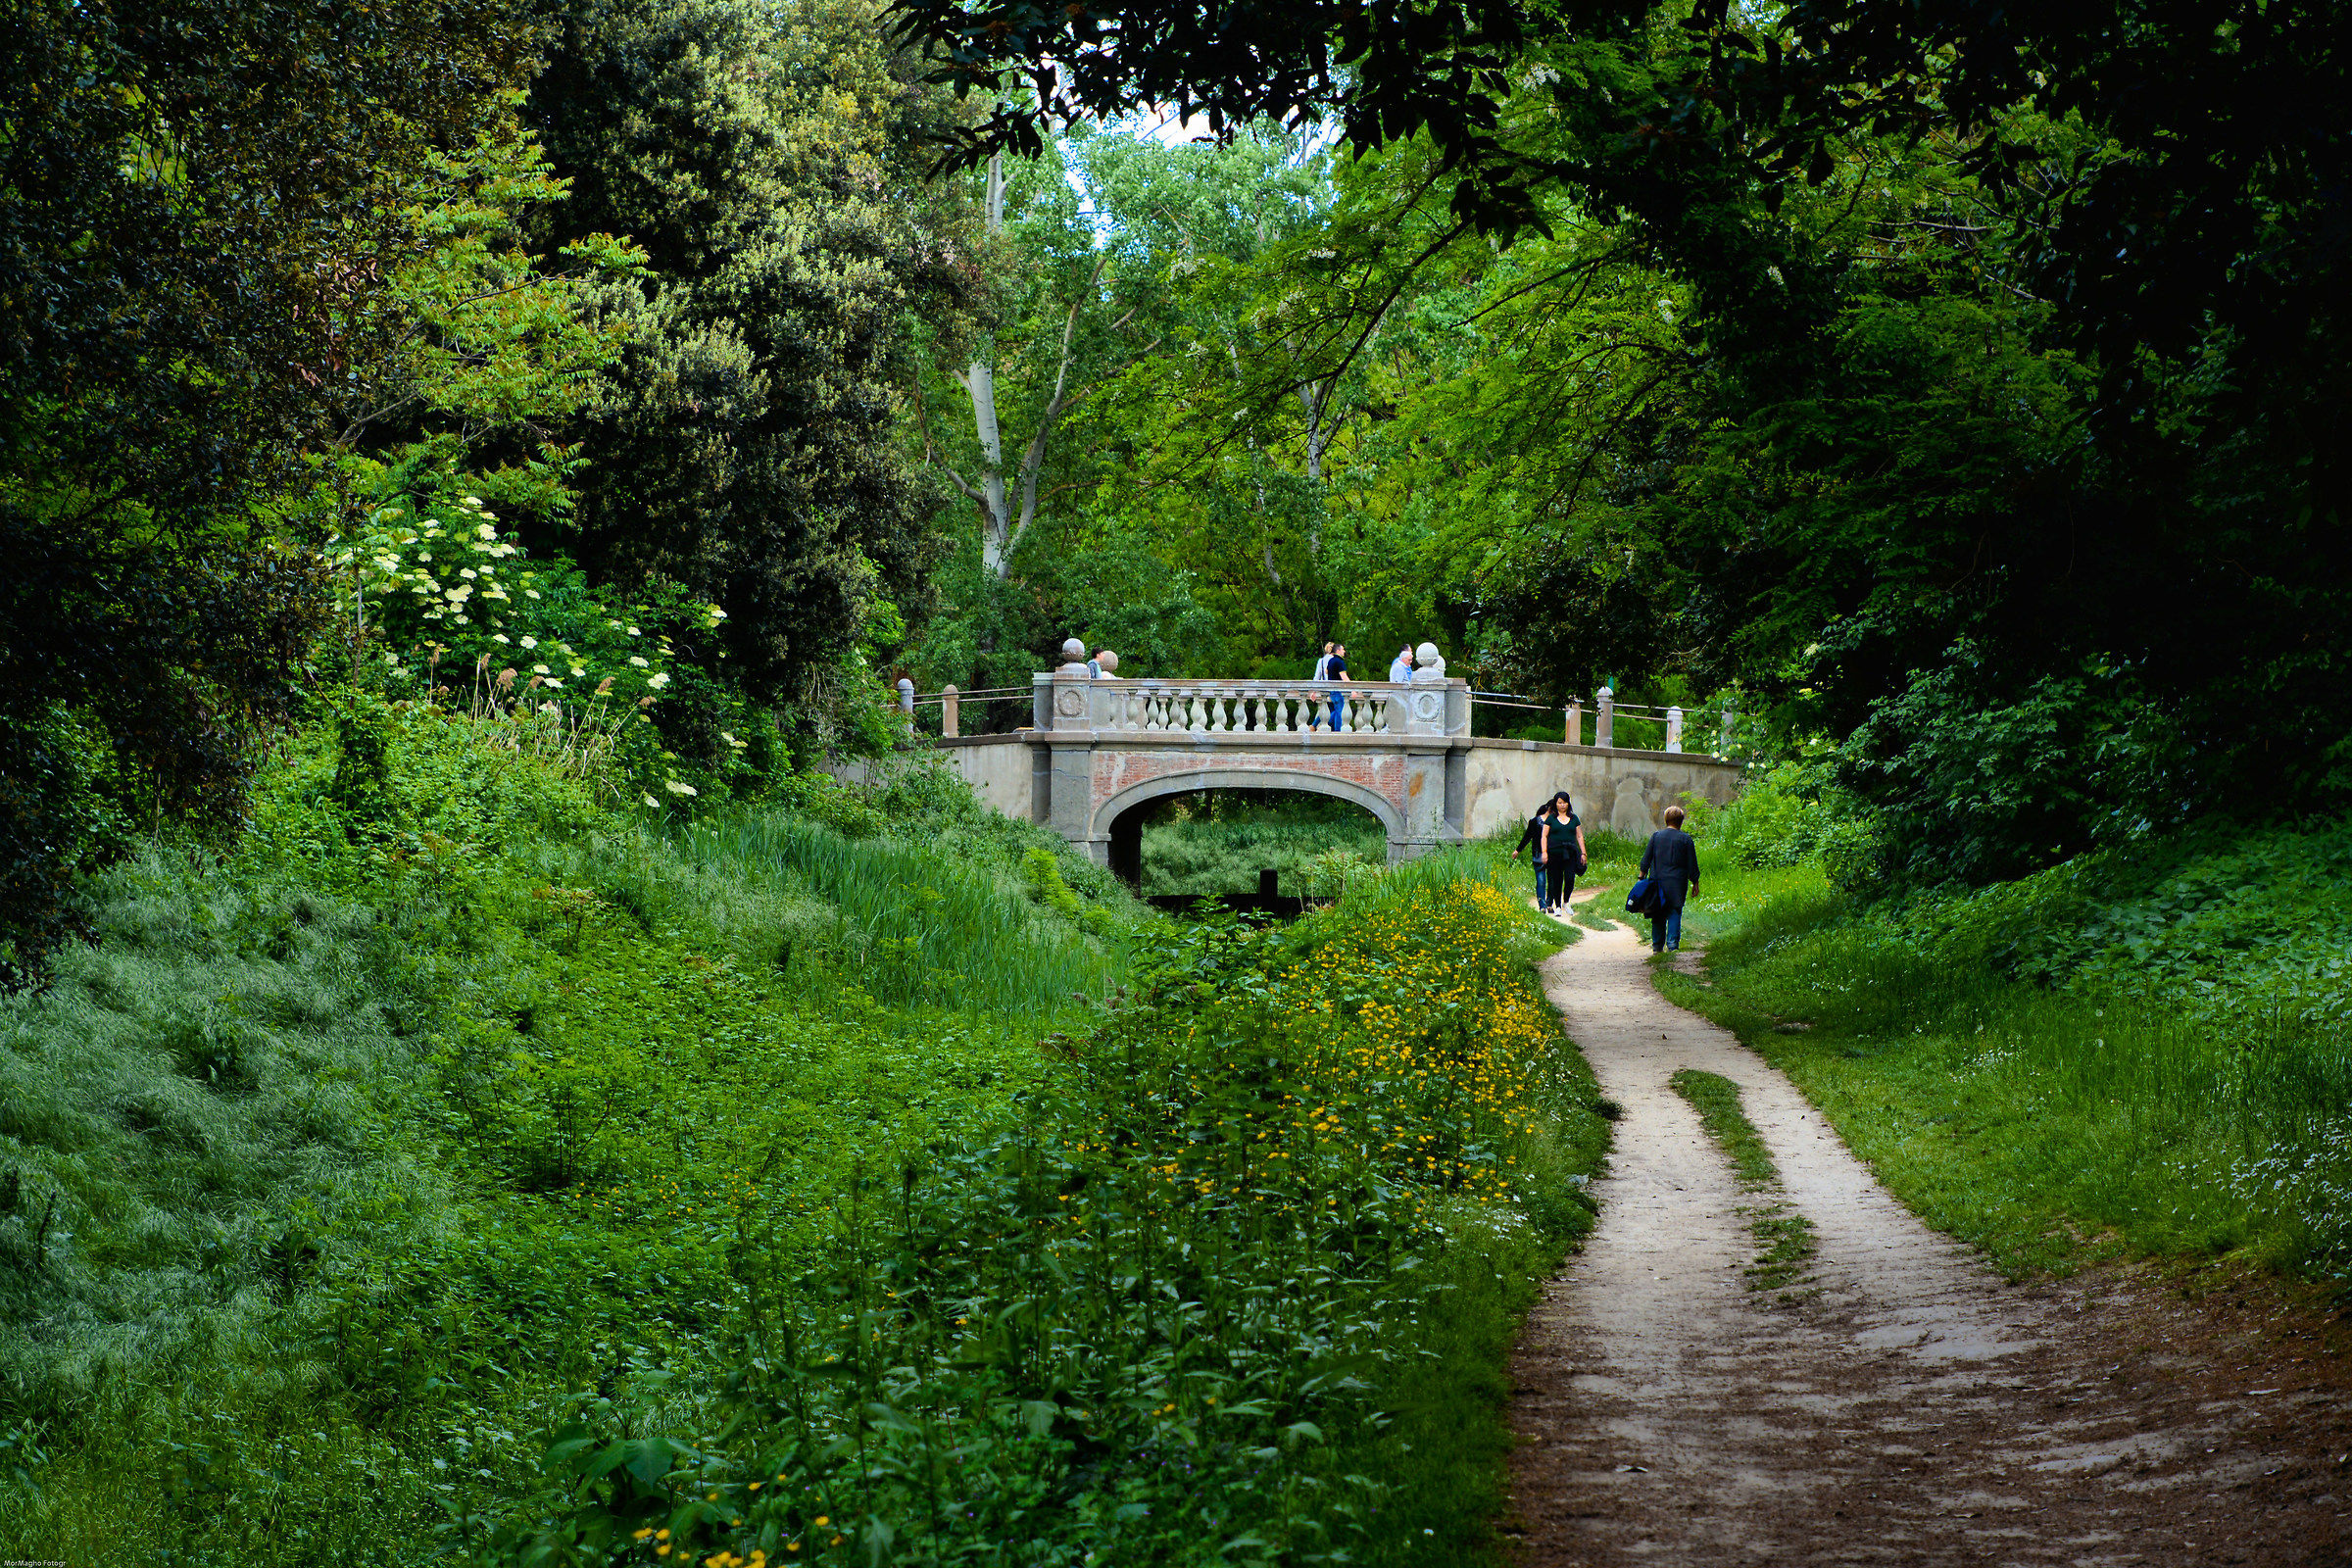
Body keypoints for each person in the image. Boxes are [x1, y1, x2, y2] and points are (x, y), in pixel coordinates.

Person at [1638, 804, 1701, 953]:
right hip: (1678, 884)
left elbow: (1646, 859)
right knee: (1674, 911)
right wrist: (1695, 882)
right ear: (1681, 821)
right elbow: (1692, 863)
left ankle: (1657, 946)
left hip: (1657, 882)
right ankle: (1672, 945)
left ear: (1666, 820)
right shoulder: (1686, 839)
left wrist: (1641, 878)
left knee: (1658, 912)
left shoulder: (1657, 837)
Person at [1538, 791, 1586, 911]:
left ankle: (1566, 902)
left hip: (1570, 853)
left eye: (1565, 803)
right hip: (1554, 853)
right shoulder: (1551, 819)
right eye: (1560, 803)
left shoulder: (1574, 818)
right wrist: (1544, 852)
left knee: (1570, 878)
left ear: (1568, 803)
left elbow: (1579, 836)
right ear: (1556, 803)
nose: (1562, 805)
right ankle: (1558, 905)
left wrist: (1583, 853)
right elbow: (1544, 836)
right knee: (1556, 879)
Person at [1322, 642, 1349, 729]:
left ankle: (1320, 724)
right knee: (1339, 712)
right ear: (1338, 651)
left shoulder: (1331, 660)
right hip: (1337, 690)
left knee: (1335, 710)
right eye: (1342, 649)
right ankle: (1337, 731)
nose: (1344, 651)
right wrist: (1352, 689)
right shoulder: (1340, 662)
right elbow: (1344, 677)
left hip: (1331, 690)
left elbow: (1326, 671)